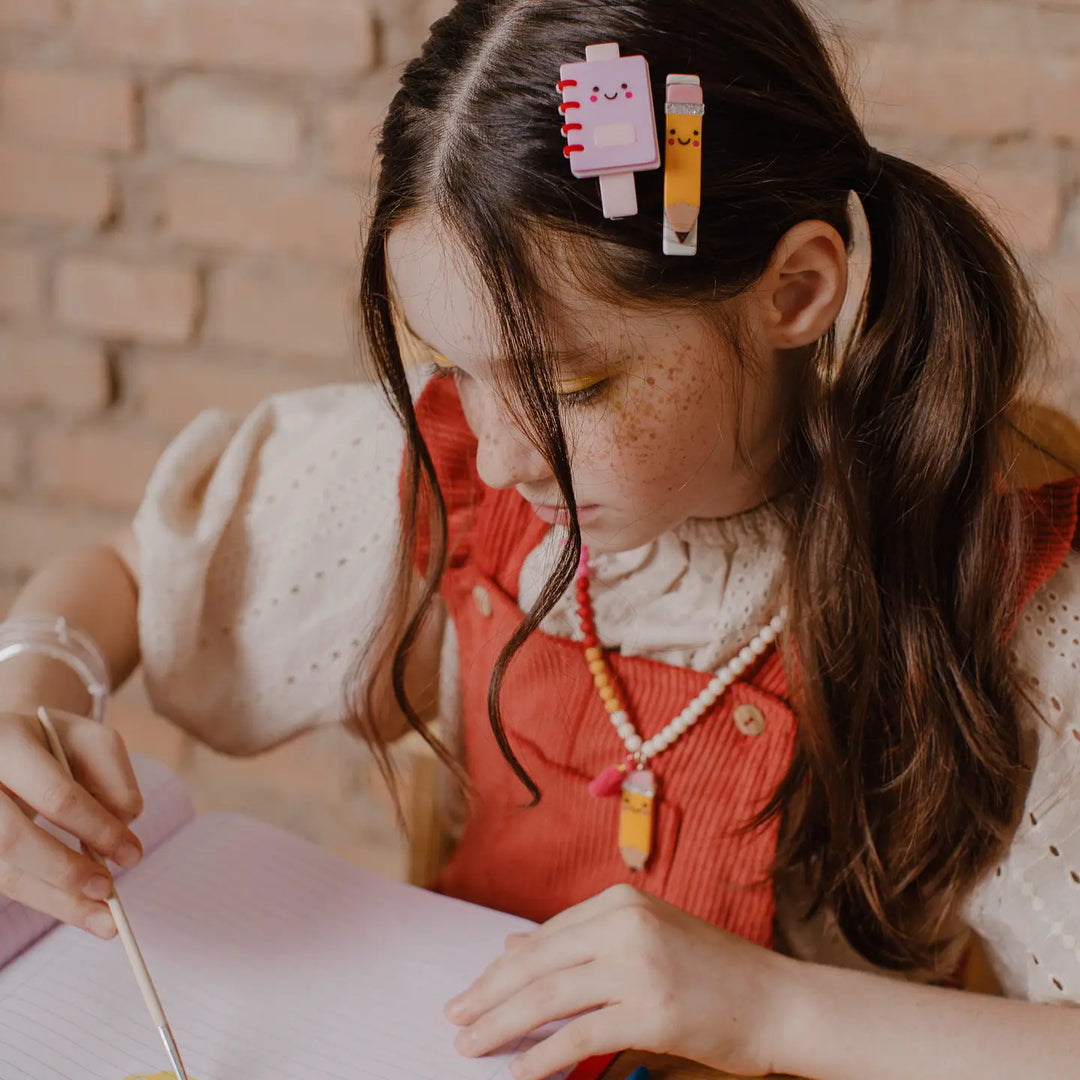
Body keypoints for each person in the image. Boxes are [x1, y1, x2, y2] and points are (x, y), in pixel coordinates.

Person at [2, 0, 1080, 1076]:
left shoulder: (993, 589)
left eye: (573, 384)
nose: (504, 453)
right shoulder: (455, 481)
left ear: (794, 291)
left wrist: (768, 1012)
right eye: (460, 369)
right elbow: (126, 578)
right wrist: (31, 685)